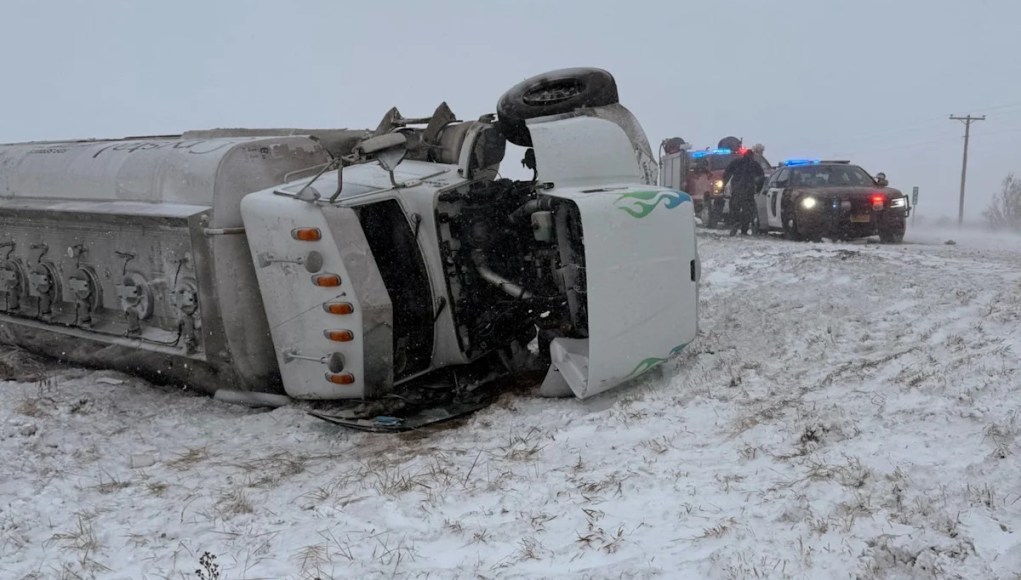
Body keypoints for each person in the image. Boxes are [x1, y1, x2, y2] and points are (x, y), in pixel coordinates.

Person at [723, 149, 765, 236]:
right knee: (747, 210)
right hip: (749, 190)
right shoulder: (755, 165)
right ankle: (744, 229)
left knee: (734, 208)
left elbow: (727, 173)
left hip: (737, 189)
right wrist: (758, 189)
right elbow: (761, 177)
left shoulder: (736, 162)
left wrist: (726, 183)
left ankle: (735, 223)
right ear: (752, 156)